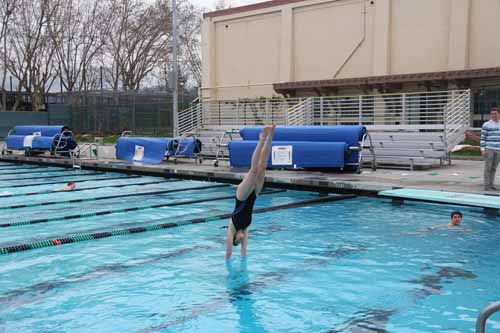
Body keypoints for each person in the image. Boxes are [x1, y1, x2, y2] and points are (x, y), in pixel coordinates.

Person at [226, 124, 275, 260]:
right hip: (254, 195)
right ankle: (270, 136)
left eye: (239, 240)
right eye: (242, 241)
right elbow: (244, 251)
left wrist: (228, 266)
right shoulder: (245, 228)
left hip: (241, 197)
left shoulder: (231, 227)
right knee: (263, 166)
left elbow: (228, 252)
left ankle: (261, 138)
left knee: (253, 170)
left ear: (235, 238)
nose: (242, 240)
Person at [480, 107, 500, 191]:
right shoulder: (486, 124)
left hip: (498, 149)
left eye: (495, 113)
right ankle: (486, 186)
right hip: (489, 149)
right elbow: (483, 138)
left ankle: (492, 184)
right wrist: (482, 149)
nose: (494, 115)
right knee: (487, 168)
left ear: (499, 114)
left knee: (494, 168)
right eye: (492, 114)